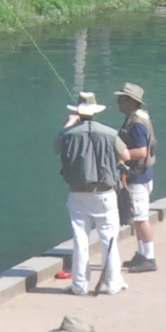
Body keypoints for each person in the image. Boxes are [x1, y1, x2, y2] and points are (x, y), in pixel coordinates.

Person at [56, 93, 126, 295]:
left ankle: (79, 285)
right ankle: (113, 282)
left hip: (77, 193)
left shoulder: (68, 135)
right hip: (105, 192)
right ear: (95, 112)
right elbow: (126, 155)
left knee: (80, 239)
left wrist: (68, 125)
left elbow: (56, 148)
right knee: (109, 238)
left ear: (77, 112)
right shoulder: (110, 133)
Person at [115, 83, 159, 273]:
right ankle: (141, 253)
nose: (118, 102)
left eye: (122, 98)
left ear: (131, 101)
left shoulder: (136, 124)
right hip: (141, 176)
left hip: (138, 178)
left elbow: (141, 151)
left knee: (141, 218)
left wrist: (120, 154)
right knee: (138, 217)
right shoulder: (137, 118)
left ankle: (149, 257)